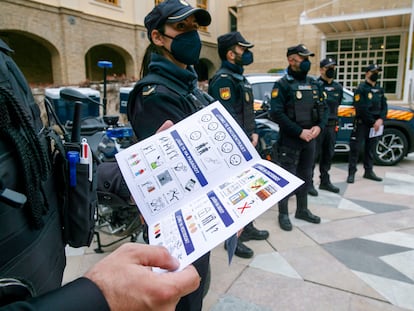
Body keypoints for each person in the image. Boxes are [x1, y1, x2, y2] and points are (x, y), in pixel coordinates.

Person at [0, 38, 200, 309]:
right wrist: (99, 298)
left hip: (46, 277)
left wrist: (136, 177)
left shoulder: (5, 59)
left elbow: (39, 179)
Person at [126, 0, 213, 310]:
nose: (191, 35)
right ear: (158, 37)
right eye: (180, 27)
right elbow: (172, 179)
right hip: (181, 227)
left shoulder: (188, 85)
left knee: (197, 290)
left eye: (193, 27)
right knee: (185, 299)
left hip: (201, 218)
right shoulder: (157, 94)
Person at [208, 31, 269, 259]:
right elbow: (226, 119)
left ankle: (248, 227)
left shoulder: (239, 78)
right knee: (234, 193)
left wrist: (252, 132)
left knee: (248, 190)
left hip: (247, 142)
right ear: (231, 53)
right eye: (243, 49)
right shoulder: (223, 79)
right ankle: (234, 238)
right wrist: (245, 138)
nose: (247, 53)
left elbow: (246, 112)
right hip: (234, 148)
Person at [269, 44, 328, 231]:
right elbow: (277, 113)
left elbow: (324, 109)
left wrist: (319, 126)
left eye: (307, 57)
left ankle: (302, 209)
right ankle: (283, 214)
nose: (306, 62)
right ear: (291, 60)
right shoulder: (283, 85)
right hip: (291, 139)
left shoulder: (314, 84)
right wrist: (299, 132)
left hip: (310, 139)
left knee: (306, 175)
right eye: (302, 58)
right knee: (287, 178)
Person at [346, 64, 388, 183]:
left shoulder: (379, 89)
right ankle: (351, 173)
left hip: (376, 125)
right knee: (355, 149)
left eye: (377, 72)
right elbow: (361, 108)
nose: (375, 74)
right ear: (367, 73)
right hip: (362, 124)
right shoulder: (361, 89)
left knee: (371, 148)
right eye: (373, 71)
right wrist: (373, 121)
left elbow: (384, 106)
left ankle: (368, 171)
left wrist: (380, 120)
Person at [309, 58, 342, 195]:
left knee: (328, 154)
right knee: (313, 155)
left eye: (333, 67)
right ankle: (309, 183)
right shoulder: (315, 85)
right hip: (318, 127)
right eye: (329, 67)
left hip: (331, 126)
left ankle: (325, 181)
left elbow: (337, 104)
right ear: (322, 69)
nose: (332, 70)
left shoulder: (338, 87)